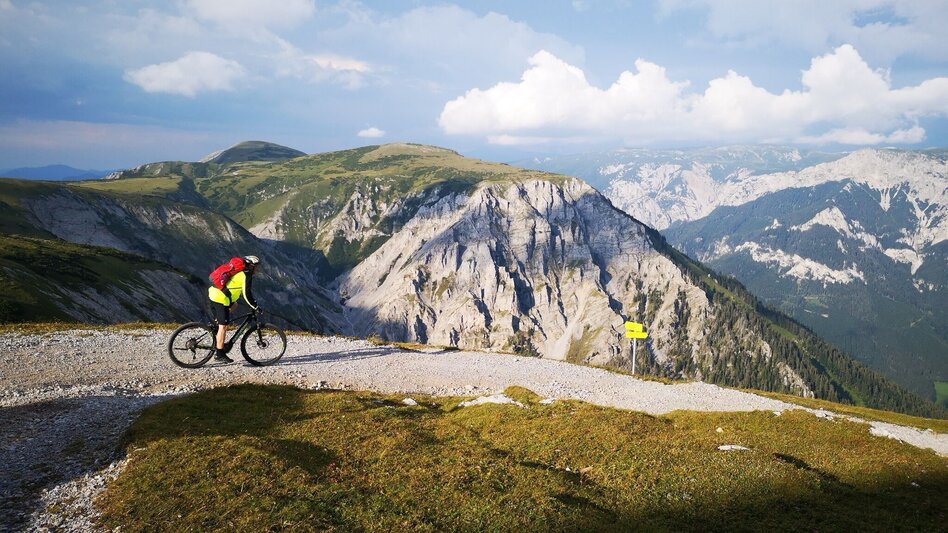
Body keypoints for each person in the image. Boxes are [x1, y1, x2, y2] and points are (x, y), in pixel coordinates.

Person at [208, 255, 260, 362]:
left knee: (235, 305)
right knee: (224, 326)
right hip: (220, 298)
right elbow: (246, 294)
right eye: (256, 266)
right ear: (251, 266)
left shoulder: (238, 271)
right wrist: (255, 306)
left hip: (215, 293)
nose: (257, 269)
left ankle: (218, 324)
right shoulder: (246, 274)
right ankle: (219, 354)